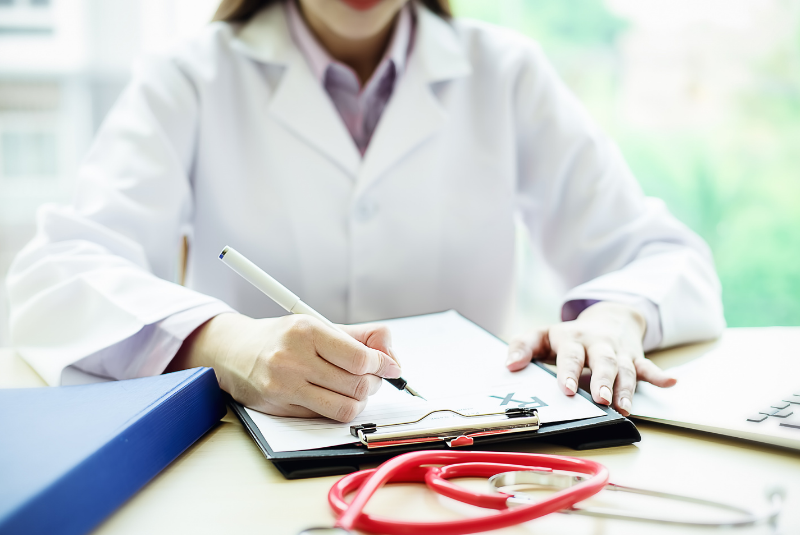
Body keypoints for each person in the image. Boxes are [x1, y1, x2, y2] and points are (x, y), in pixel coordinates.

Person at [6, 0, 724, 422]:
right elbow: (53, 278)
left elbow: (664, 256)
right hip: (245, 465)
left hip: (470, 456)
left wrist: (613, 315)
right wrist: (227, 346)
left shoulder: (505, 72)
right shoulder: (190, 74)